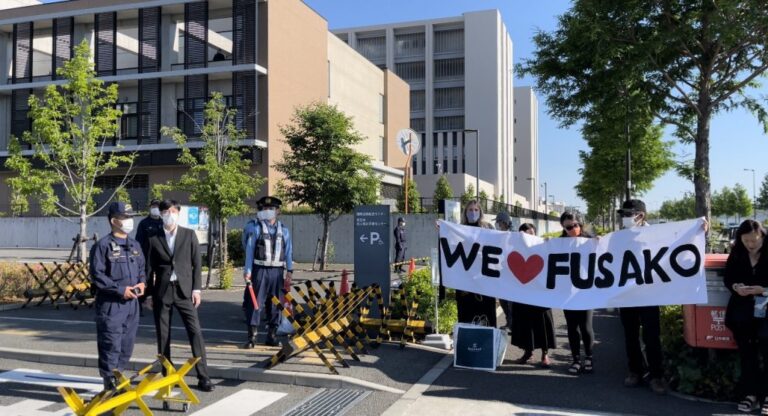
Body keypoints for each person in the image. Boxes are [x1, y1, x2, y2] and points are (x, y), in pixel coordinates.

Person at [145, 200, 213, 392]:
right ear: (160, 214)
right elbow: (149, 269)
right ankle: (168, 374)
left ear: (178, 212)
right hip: (162, 291)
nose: (169, 214)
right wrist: (148, 294)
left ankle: (203, 376)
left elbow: (197, 264)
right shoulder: (153, 237)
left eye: (172, 211)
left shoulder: (188, 234)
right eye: (165, 211)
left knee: (195, 331)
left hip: (184, 290)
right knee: (163, 334)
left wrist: (197, 289)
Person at [89, 202, 145, 390]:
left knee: (126, 346)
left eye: (131, 216)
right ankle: (109, 385)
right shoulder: (102, 246)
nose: (130, 221)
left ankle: (118, 377)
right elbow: (98, 276)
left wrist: (142, 283)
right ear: (114, 221)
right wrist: (121, 290)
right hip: (112, 305)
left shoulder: (134, 244)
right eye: (125, 217)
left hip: (132, 305)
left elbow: (142, 269)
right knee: (110, 345)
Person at [617, 199, 666, 393]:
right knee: (630, 334)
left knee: (652, 335)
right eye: (623, 215)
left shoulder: (658, 235)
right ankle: (635, 371)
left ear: (640, 215)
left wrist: (700, 229)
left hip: (649, 293)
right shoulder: (619, 237)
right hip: (627, 294)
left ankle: (657, 375)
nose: (625, 219)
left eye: (628, 215)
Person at [723, 220, 768, 413]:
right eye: (746, 241)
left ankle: (766, 395)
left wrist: (764, 290)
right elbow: (728, 277)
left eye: (754, 241)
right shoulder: (738, 252)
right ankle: (750, 394)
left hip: (766, 308)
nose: (750, 245)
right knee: (746, 353)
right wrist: (736, 287)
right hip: (742, 310)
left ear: (763, 236)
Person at [242, 196, 293, 347]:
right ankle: (252, 337)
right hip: (259, 270)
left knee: (275, 304)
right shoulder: (254, 227)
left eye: (271, 209)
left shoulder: (284, 230)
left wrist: (289, 270)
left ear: (278, 211)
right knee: (255, 303)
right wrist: (248, 270)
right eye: (264, 209)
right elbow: (249, 250)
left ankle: (272, 335)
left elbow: (289, 251)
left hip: (277, 272)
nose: (267, 211)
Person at [510, 222, 556, 368]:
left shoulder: (544, 246)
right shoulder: (515, 249)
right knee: (524, 322)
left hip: (541, 293)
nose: (529, 236)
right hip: (522, 293)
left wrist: (550, 245)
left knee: (543, 322)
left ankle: (545, 354)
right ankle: (527, 352)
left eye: (531, 233)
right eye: (526, 234)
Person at [559, 212, 595, 375]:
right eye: (568, 227)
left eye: (575, 225)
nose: (573, 229)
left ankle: (589, 357)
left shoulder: (590, 241)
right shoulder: (558, 244)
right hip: (568, 292)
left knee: (586, 326)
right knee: (572, 327)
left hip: (586, 291)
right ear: (563, 228)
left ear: (580, 224)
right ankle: (575, 359)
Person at [455, 200, 497, 327]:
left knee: (486, 313)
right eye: (470, 210)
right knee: (466, 313)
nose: (473, 212)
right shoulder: (459, 229)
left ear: (480, 212)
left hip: (484, 280)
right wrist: (442, 230)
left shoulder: (488, 228)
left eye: (476, 210)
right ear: (465, 212)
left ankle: (487, 344)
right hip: (465, 281)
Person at [135, 199, 163, 316]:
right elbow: (138, 242)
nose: (155, 208)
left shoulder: (164, 223)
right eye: (153, 206)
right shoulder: (144, 223)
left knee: (161, 282)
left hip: (161, 258)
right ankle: (140, 304)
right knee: (145, 281)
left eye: (157, 206)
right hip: (147, 258)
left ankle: (158, 304)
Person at [495, 211, 514, 331]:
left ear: (505, 223)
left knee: (510, 301)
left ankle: (512, 324)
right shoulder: (497, 236)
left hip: (512, 273)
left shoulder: (514, 235)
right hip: (501, 272)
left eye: (499, 223)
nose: (498, 225)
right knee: (503, 300)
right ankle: (509, 322)